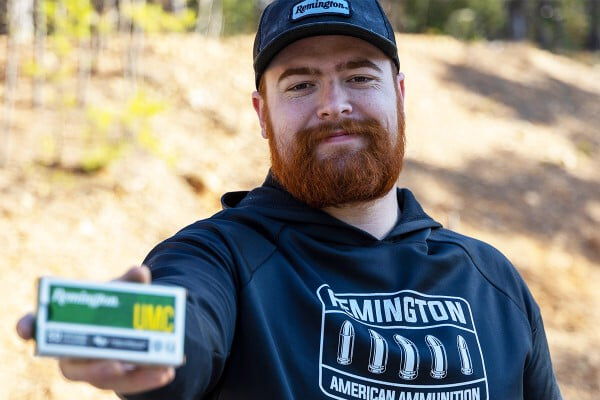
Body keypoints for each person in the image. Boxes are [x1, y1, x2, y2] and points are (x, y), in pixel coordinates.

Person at [17, 0, 563, 399]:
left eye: (358, 76)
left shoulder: (493, 280)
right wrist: (130, 335)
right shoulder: (221, 259)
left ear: (399, 94)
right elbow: (185, 322)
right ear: (262, 114)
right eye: (301, 85)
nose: (334, 104)